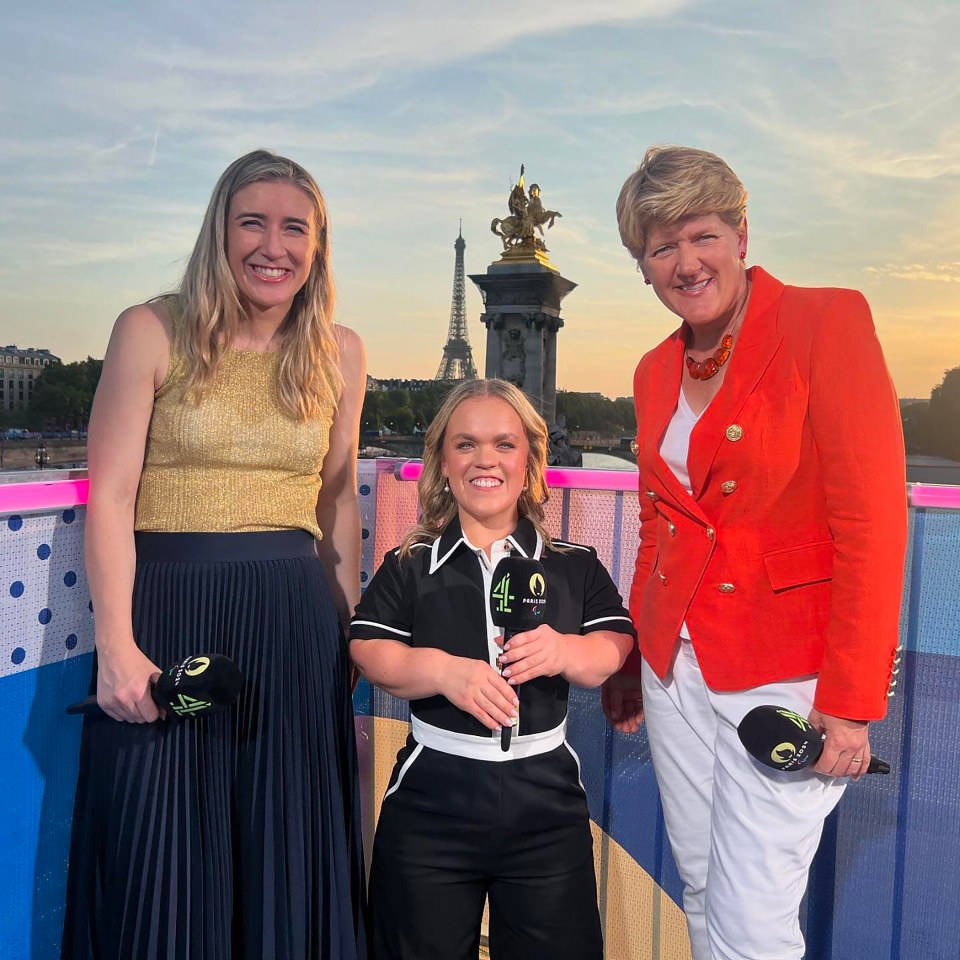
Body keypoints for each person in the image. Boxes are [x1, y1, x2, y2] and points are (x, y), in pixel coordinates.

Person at [603, 145, 908, 960]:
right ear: (643, 268)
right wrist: (637, 654)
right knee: (702, 886)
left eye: (700, 235)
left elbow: (873, 523)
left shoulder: (825, 321)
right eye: (660, 248)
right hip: (676, 670)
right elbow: (661, 525)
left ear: (740, 233)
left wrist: (850, 699)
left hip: (784, 672)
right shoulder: (652, 368)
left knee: (751, 916)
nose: (685, 261)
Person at [62, 150, 368, 959]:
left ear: (317, 245)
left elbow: (335, 500)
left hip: (294, 627)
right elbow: (113, 498)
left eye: (294, 228)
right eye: (253, 223)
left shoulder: (341, 351)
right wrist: (117, 646)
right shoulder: (150, 329)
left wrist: (349, 628)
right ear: (219, 233)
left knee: (282, 845)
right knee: (159, 848)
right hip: (169, 620)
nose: (274, 246)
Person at [349, 379, 635, 960]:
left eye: (504, 444)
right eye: (466, 444)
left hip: (546, 803)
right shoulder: (410, 562)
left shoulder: (573, 565)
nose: (486, 460)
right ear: (442, 461)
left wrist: (566, 652)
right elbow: (367, 646)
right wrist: (441, 671)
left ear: (529, 457)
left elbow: (615, 641)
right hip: (431, 801)